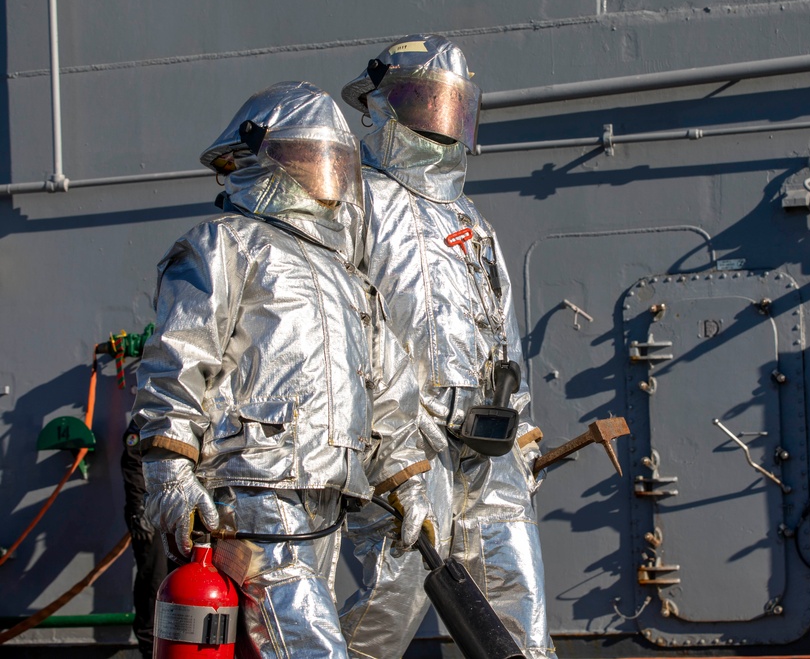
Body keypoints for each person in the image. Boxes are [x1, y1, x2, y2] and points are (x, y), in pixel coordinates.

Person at [132, 80, 436, 659]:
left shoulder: (349, 279)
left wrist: (407, 481)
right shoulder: (224, 245)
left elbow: (387, 389)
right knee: (310, 647)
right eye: (305, 158)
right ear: (257, 157)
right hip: (250, 498)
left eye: (334, 162)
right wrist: (170, 471)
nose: (323, 175)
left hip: (325, 498)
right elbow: (177, 359)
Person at [337, 34, 556, 659]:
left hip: (490, 447)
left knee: (519, 609)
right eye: (422, 101)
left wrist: (522, 425)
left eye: (450, 105)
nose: (439, 121)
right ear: (381, 106)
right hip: (409, 442)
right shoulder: (358, 207)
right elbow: (347, 335)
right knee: (389, 606)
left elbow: (502, 330)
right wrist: (387, 445)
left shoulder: (471, 221)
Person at [120, 418, 174, 659]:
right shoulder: (147, 416)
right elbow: (133, 463)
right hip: (151, 514)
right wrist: (138, 512)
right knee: (154, 580)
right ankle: (149, 648)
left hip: (179, 511)